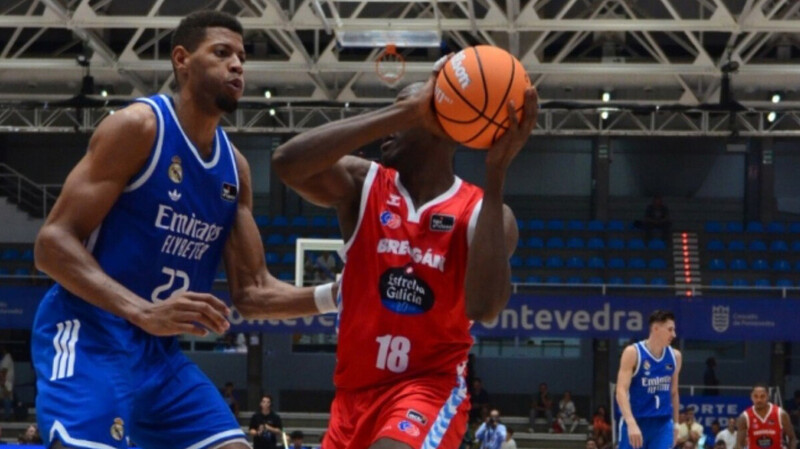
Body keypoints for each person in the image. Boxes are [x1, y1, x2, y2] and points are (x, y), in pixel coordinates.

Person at [31, 10, 327, 449]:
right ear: (182, 59)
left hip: (159, 355)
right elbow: (50, 245)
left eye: (242, 57)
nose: (238, 65)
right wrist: (141, 311)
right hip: (90, 334)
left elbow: (254, 290)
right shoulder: (138, 128)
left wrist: (337, 294)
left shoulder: (235, 170)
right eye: (222, 53)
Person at [272, 54, 537, 449]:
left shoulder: (484, 211)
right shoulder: (364, 184)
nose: (389, 126)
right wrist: (401, 113)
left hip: (426, 390)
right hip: (351, 397)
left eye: (405, 114)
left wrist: (496, 174)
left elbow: (484, 308)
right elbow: (286, 163)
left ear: (440, 129)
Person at [615, 310, 682, 449]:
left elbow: (674, 392)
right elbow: (620, 391)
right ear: (656, 328)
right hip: (636, 420)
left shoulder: (675, 356)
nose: (674, 334)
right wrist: (631, 423)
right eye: (670, 330)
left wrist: (676, 424)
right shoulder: (633, 353)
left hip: (662, 424)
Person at [734, 384, 796, 449]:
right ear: (751, 397)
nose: (759, 400)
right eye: (756, 396)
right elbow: (739, 444)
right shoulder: (744, 417)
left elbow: (792, 438)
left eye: (762, 396)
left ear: (768, 396)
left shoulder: (780, 414)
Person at [0, 346, 12, 421]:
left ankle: (7, 416)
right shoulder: (5, 359)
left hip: (6, 382)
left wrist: (2, 382)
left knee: (6, 398)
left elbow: (3, 372)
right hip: (5, 381)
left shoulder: (7, 358)